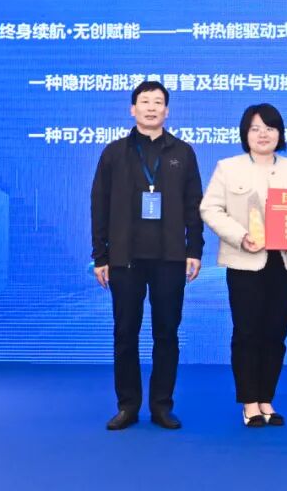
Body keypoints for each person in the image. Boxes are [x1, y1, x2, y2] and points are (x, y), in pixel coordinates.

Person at [90, 81, 204, 431]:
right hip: (124, 258)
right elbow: (99, 205)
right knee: (125, 333)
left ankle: (161, 406)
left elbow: (194, 205)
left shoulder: (182, 152)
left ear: (167, 111)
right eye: (144, 101)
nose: (151, 108)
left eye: (158, 102)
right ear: (132, 109)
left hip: (170, 257)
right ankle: (127, 406)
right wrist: (100, 256)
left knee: (166, 333)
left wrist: (194, 249)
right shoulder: (114, 153)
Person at [200, 103, 287, 427]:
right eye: (255, 129)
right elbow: (210, 209)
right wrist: (240, 236)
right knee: (247, 331)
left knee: (276, 331)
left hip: (285, 261)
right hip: (245, 261)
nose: (263, 134)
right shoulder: (228, 168)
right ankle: (249, 401)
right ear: (245, 134)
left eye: (269, 128)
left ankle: (267, 398)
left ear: (280, 133)